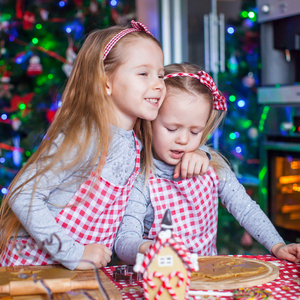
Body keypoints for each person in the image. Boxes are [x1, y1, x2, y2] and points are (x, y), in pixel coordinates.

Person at [114, 62, 300, 265]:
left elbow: (245, 209)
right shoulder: (141, 178)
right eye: (171, 128)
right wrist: (148, 248)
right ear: (148, 121)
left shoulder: (213, 167)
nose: (183, 140)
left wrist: (278, 245)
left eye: (195, 132)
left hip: (207, 278)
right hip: (162, 284)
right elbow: (124, 242)